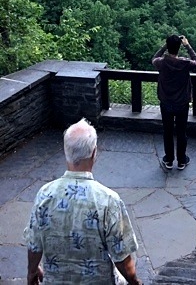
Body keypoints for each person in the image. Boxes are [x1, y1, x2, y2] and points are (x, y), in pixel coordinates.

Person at [23, 118, 141, 285]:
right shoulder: (108, 200)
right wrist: (134, 281)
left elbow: (34, 244)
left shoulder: (44, 194)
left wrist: (32, 271)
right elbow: (121, 256)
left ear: (66, 151)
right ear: (94, 152)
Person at [152, 34, 196, 171]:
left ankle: (169, 159)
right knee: (181, 132)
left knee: (167, 131)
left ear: (168, 47)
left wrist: (164, 46)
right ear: (179, 48)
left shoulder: (161, 63)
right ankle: (181, 161)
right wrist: (188, 46)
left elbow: (154, 58)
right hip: (182, 103)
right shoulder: (185, 63)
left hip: (166, 102)